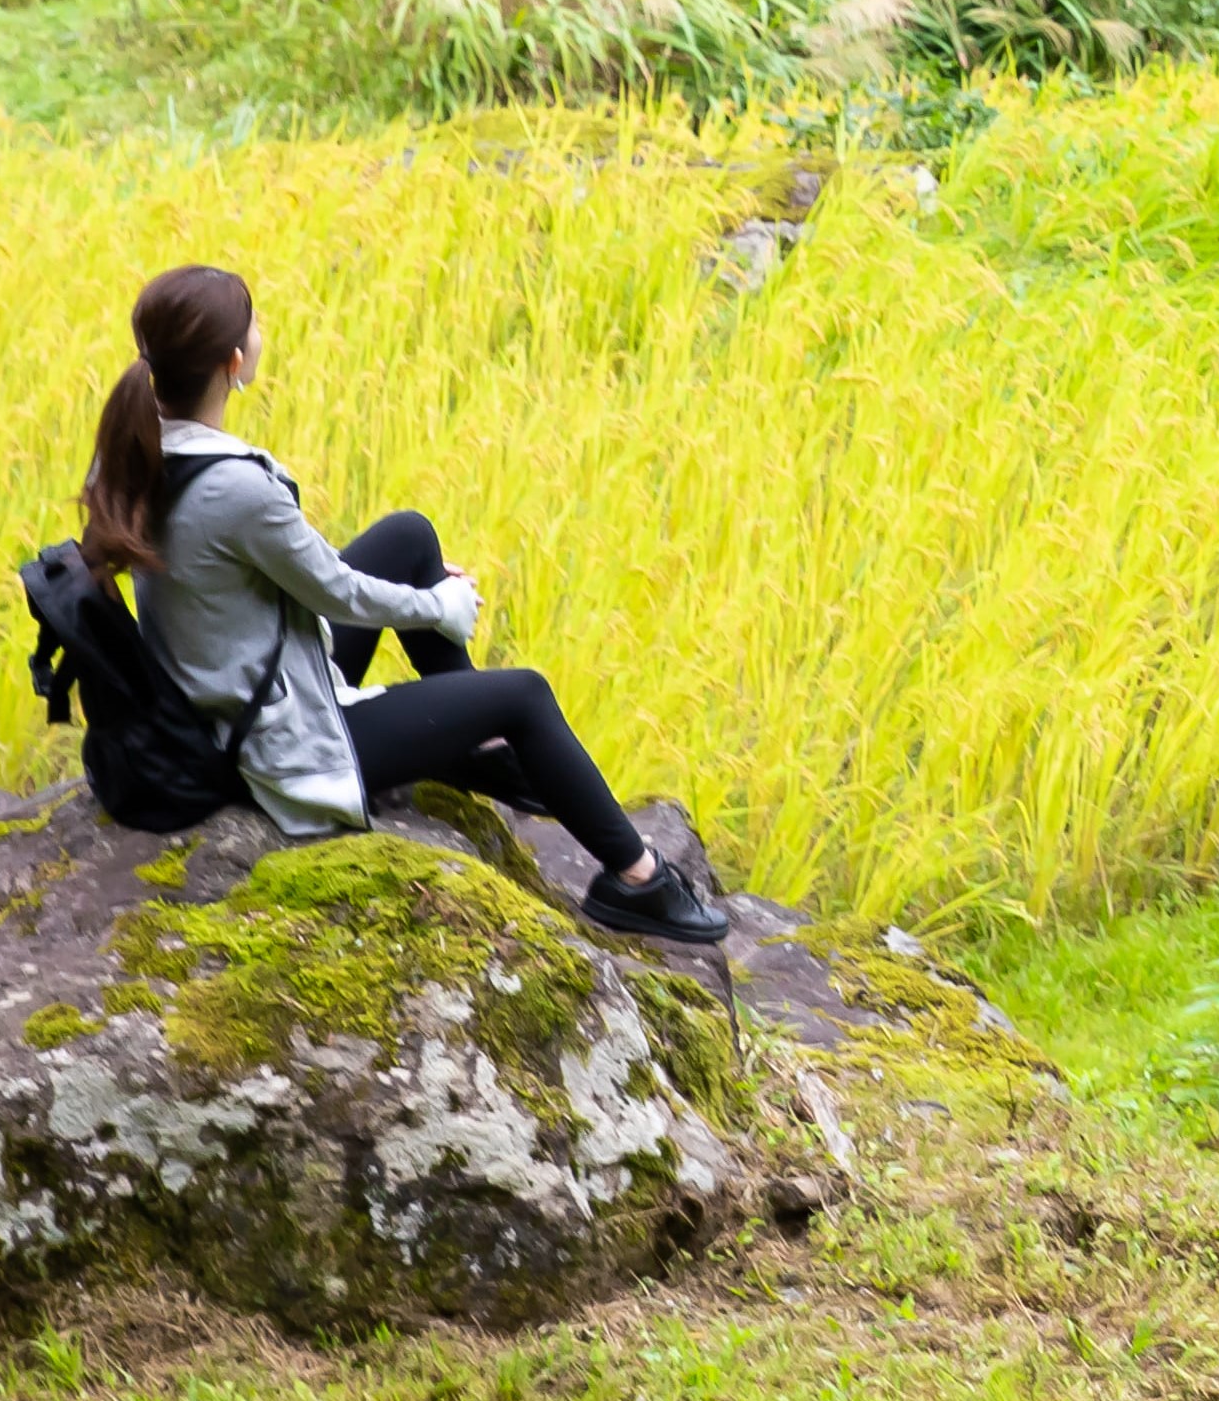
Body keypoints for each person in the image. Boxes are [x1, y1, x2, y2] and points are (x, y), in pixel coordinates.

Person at [76, 263, 730, 944]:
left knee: (408, 535)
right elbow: (334, 590)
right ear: (233, 363)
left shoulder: (134, 449)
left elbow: (279, 572)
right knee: (527, 695)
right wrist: (436, 608)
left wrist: (420, 592)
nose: (261, 332)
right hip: (271, 743)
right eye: (255, 325)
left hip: (226, 686)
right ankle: (636, 879)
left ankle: (471, 739)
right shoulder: (238, 490)